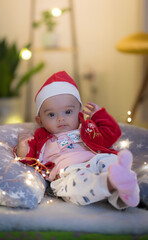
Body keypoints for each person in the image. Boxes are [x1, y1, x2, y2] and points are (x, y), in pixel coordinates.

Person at [16, 71, 140, 209]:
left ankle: (125, 189)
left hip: (96, 159)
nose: (60, 119)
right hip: (69, 171)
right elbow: (28, 159)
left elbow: (111, 134)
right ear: (39, 121)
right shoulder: (40, 138)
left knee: (109, 161)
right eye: (51, 114)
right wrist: (23, 147)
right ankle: (111, 184)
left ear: (79, 112)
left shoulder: (86, 128)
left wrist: (99, 116)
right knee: (74, 186)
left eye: (68, 112)